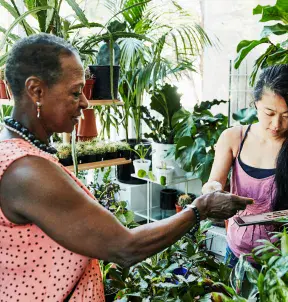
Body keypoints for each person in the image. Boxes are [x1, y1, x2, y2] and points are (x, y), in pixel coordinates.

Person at [0, 34, 253, 301]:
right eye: (75, 93)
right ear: (36, 91)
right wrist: (200, 209)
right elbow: (125, 247)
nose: (85, 103)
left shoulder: (17, 150)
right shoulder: (26, 171)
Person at [203, 65, 288, 268]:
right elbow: (213, 183)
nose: (277, 124)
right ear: (256, 102)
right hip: (236, 252)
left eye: (287, 115)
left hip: (283, 259)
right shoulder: (233, 138)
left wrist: (274, 218)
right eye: (270, 112)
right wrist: (213, 191)